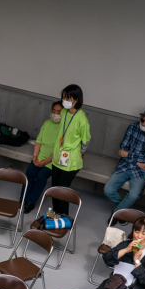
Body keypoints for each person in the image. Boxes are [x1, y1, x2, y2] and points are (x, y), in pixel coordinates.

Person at [104, 108, 145, 214]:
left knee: (134, 195)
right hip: (126, 165)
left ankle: (117, 213)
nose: (143, 124)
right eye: (142, 120)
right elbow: (123, 149)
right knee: (108, 189)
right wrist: (136, 162)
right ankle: (124, 209)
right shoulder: (132, 127)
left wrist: (128, 154)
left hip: (142, 170)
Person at [49, 84, 91, 216]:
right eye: (63, 98)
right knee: (54, 189)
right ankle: (55, 216)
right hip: (58, 158)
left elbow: (86, 140)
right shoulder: (64, 112)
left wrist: (81, 152)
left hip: (71, 161)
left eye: (68, 98)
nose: (64, 101)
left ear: (76, 100)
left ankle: (64, 220)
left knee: (61, 192)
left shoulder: (82, 119)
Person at [22, 101, 63, 214]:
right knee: (30, 173)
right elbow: (39, 141)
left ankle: (30, 201)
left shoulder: (64, 128)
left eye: (58, 112)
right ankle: (23, 199)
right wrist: (35, 156)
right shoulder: (46, 123)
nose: (55, 114)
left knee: (41, 176)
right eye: (53, 111)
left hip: (52, 160)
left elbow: (59, 149)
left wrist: (46, 161)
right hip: (40, 157)